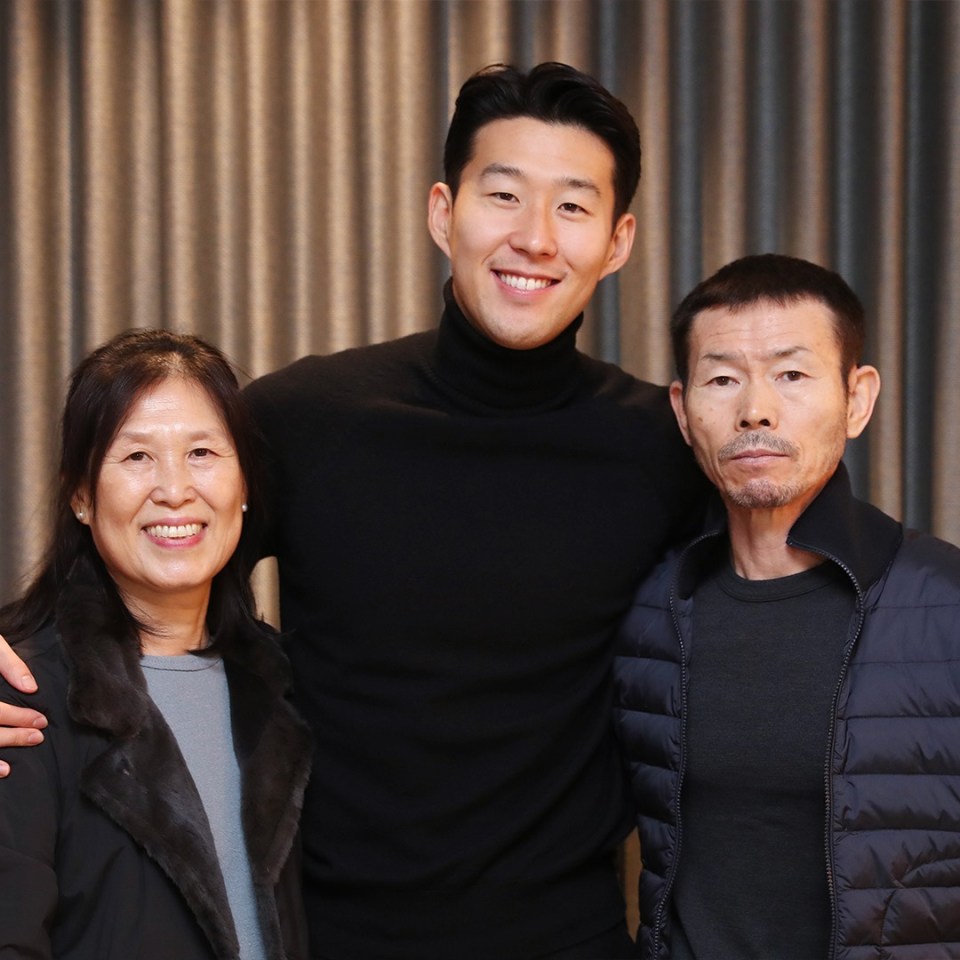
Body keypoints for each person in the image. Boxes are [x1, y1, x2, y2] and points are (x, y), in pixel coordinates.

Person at [0, 64, 706, 959]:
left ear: (618, 240)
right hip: (331, 935)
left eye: (572, 207)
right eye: (503, 196)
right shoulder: (309, 417)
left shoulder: (658, 448)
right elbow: (146, 557)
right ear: (444, 213)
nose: (534, 238)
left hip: (569, 937)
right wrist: (19, 662)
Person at [614, 253, 960, 959]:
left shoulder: (946, 604)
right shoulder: (650, 610)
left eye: (792, 374)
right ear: (683, 412)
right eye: (722, 379)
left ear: (857, 398)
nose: (755, 409)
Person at [0, 330, 312, 959]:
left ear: (245, 485)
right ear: (81, 495)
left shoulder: (285, 685)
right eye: (137, 456)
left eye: (202, 452)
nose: (175, 489)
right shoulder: (22, 694)